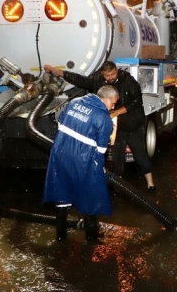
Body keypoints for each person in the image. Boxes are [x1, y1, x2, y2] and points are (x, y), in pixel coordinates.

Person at [44, 61, 157, 191]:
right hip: (117, 129)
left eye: (113, 74)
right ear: (103, 74)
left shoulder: (128, 80)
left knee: (140, 156)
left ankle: (150, 184)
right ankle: (118, 187)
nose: (110, 77)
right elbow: (80, 80)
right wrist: (56, 71)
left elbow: (137, 101)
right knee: (117, 159)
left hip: (133, 125)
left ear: (116, 70)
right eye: (107, 75)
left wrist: (116, 112)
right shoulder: (98, 81)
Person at [43, 85, 119, 241]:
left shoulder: (74, 102)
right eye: (113, 103)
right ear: (106, 99)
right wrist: (100, 169)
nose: (114, 106)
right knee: (90, 195)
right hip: (83, 159)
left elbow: (61, 122)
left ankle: (60, 236)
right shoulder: (103, 117)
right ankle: (91, 238)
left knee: (62, 192)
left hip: (60, 153)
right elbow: (101, 150)